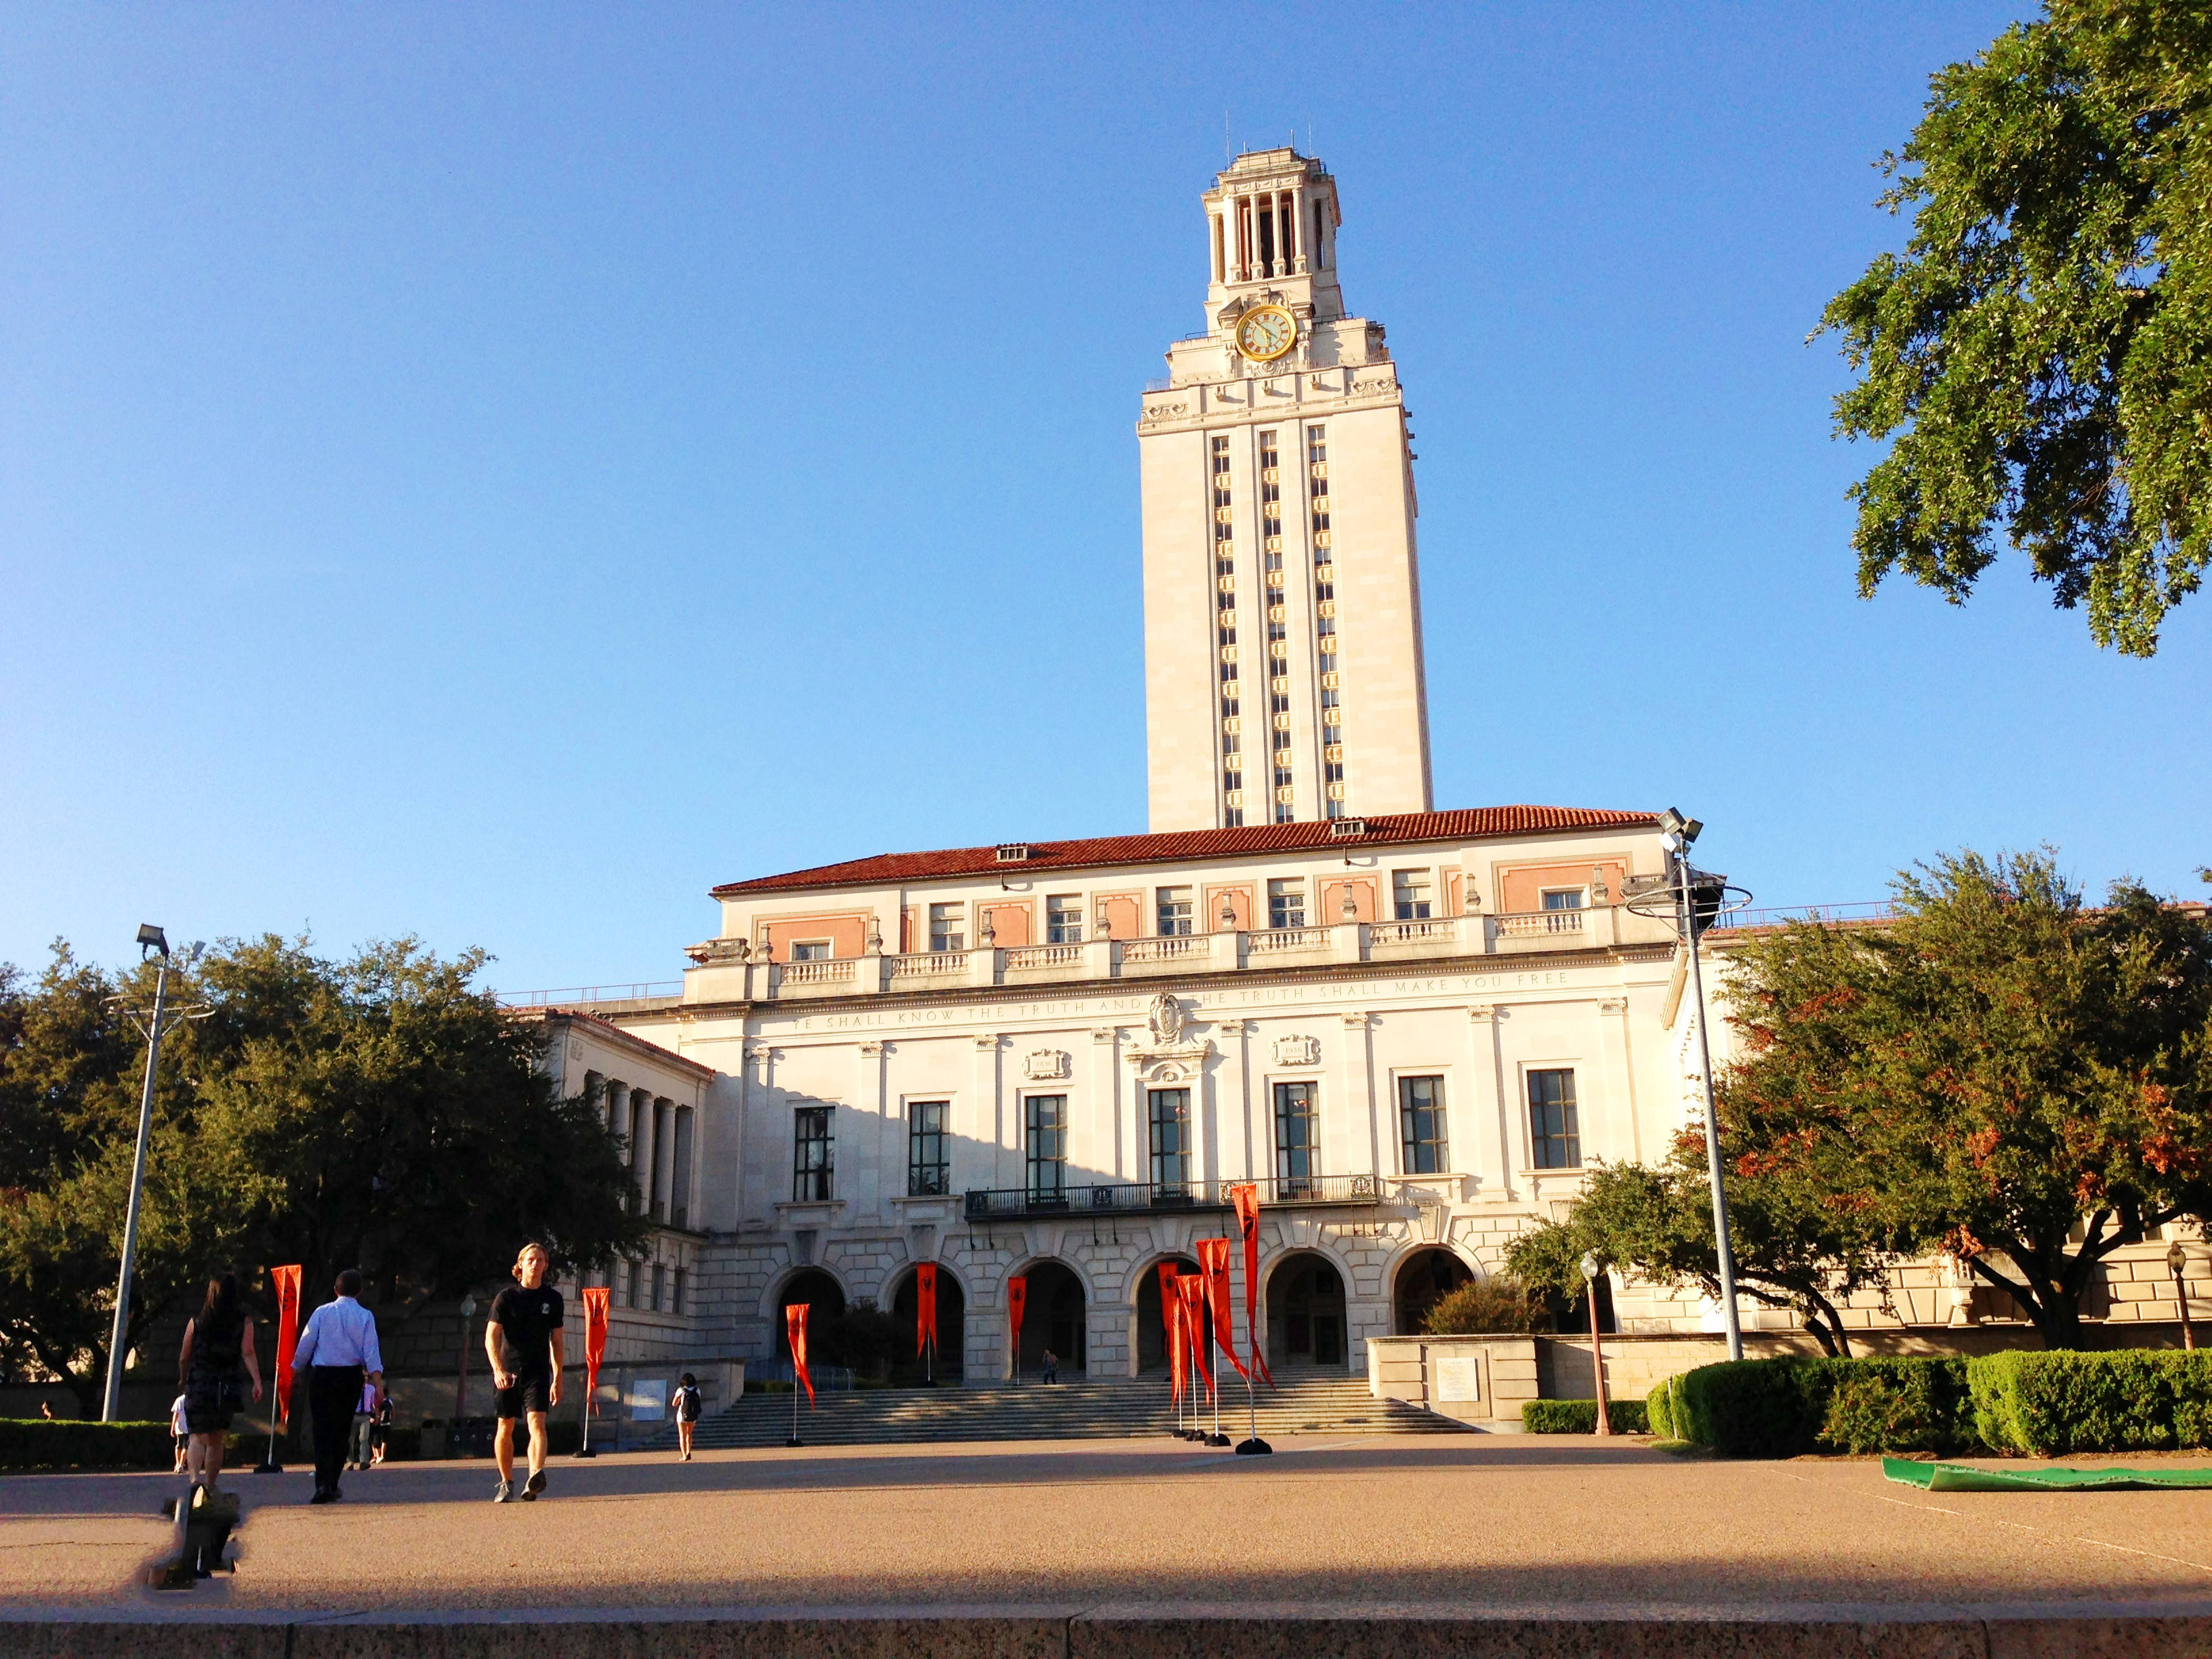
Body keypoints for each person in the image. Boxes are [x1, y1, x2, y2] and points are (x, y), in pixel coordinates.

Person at [289, 1267, 384, 1505]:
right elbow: (371, 1352)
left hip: (322, 1375)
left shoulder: (321, 1313)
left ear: (335, 1289)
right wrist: (378, 1385)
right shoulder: (365, 1316)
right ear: (360, 1291)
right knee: (342, 1429)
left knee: (322, 1429)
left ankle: (321, 1481)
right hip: (350, 1376)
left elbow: (306, 1344)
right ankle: (333, 1481)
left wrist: (296, 1370)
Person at [486, 1242, 565, 1504]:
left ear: (546, 1265)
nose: (536, 1264)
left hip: (538, 1371)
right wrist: (498, 1369)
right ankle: (506, 1482)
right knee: (505, 1426)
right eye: (531, 1259)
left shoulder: (553, 1300)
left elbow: (557, 1341)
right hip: (509, 1371)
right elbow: (491, 1338)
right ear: (520, 1264)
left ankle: (535, 1475)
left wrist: (558, 1377)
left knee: (537, 1424)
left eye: (541, 1260)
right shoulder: (506, 1298)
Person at [176, 1272, 263, 1491]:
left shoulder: (196, 1322)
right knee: (216, 1439)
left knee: (196, 1435)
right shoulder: (245, 1321)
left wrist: (183, 1378)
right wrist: (257, 1381)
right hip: (226, 1385)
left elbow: (184, 1356)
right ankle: (211, 1485)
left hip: (199, 1383)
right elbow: (248, 1352)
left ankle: (195, 1481)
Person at [672, 1372, 702, 1462]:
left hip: (682, 1415)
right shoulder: (697, 1390)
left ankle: (684, 1455)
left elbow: (674, 1404)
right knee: (689, 1433)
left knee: (682, 1435)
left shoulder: (680, 1390)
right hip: (693, 1415)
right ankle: (689, 1451)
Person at [351, 1378, 377, 1471]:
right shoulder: (352, 1387)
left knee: (364, 1439)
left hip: (366, 1416)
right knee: (350, 1440)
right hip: (353, 1416)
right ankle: (350, 1462)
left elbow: (373, 1402)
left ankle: (364, 1462)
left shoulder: (371, 1389)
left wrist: (376, 1415)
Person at [369, 1393, 394, 1467]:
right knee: (383, 1441)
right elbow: (393, 1412)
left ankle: (377, 1456)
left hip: (377, 1424)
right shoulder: (389, 1401)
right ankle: (381, 1456)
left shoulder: (376, 1402)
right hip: (386, 1424)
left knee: (374, 1441)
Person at [169, 1393, 190, 1473]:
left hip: (180, 1427)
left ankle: (178, 1464)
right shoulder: (193, 1399)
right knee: (186, 1447)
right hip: (187, 1427)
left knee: (180, 1446)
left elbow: (176, 1414)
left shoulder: (179, 1400)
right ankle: (180, 1465)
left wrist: (173, 1427)